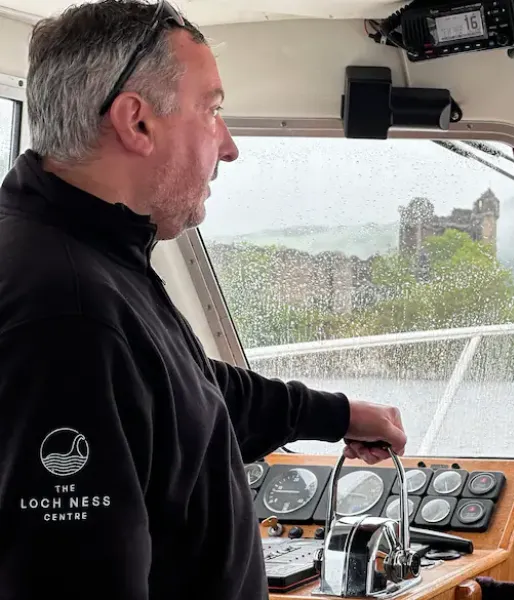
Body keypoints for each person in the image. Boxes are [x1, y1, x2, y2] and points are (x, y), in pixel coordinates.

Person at [0, 0, 407, 598]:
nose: (229, 145)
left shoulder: (88, 257)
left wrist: (335, 414)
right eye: (212, 111)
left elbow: (181, 396)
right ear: (137, 122)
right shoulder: (69, 313)